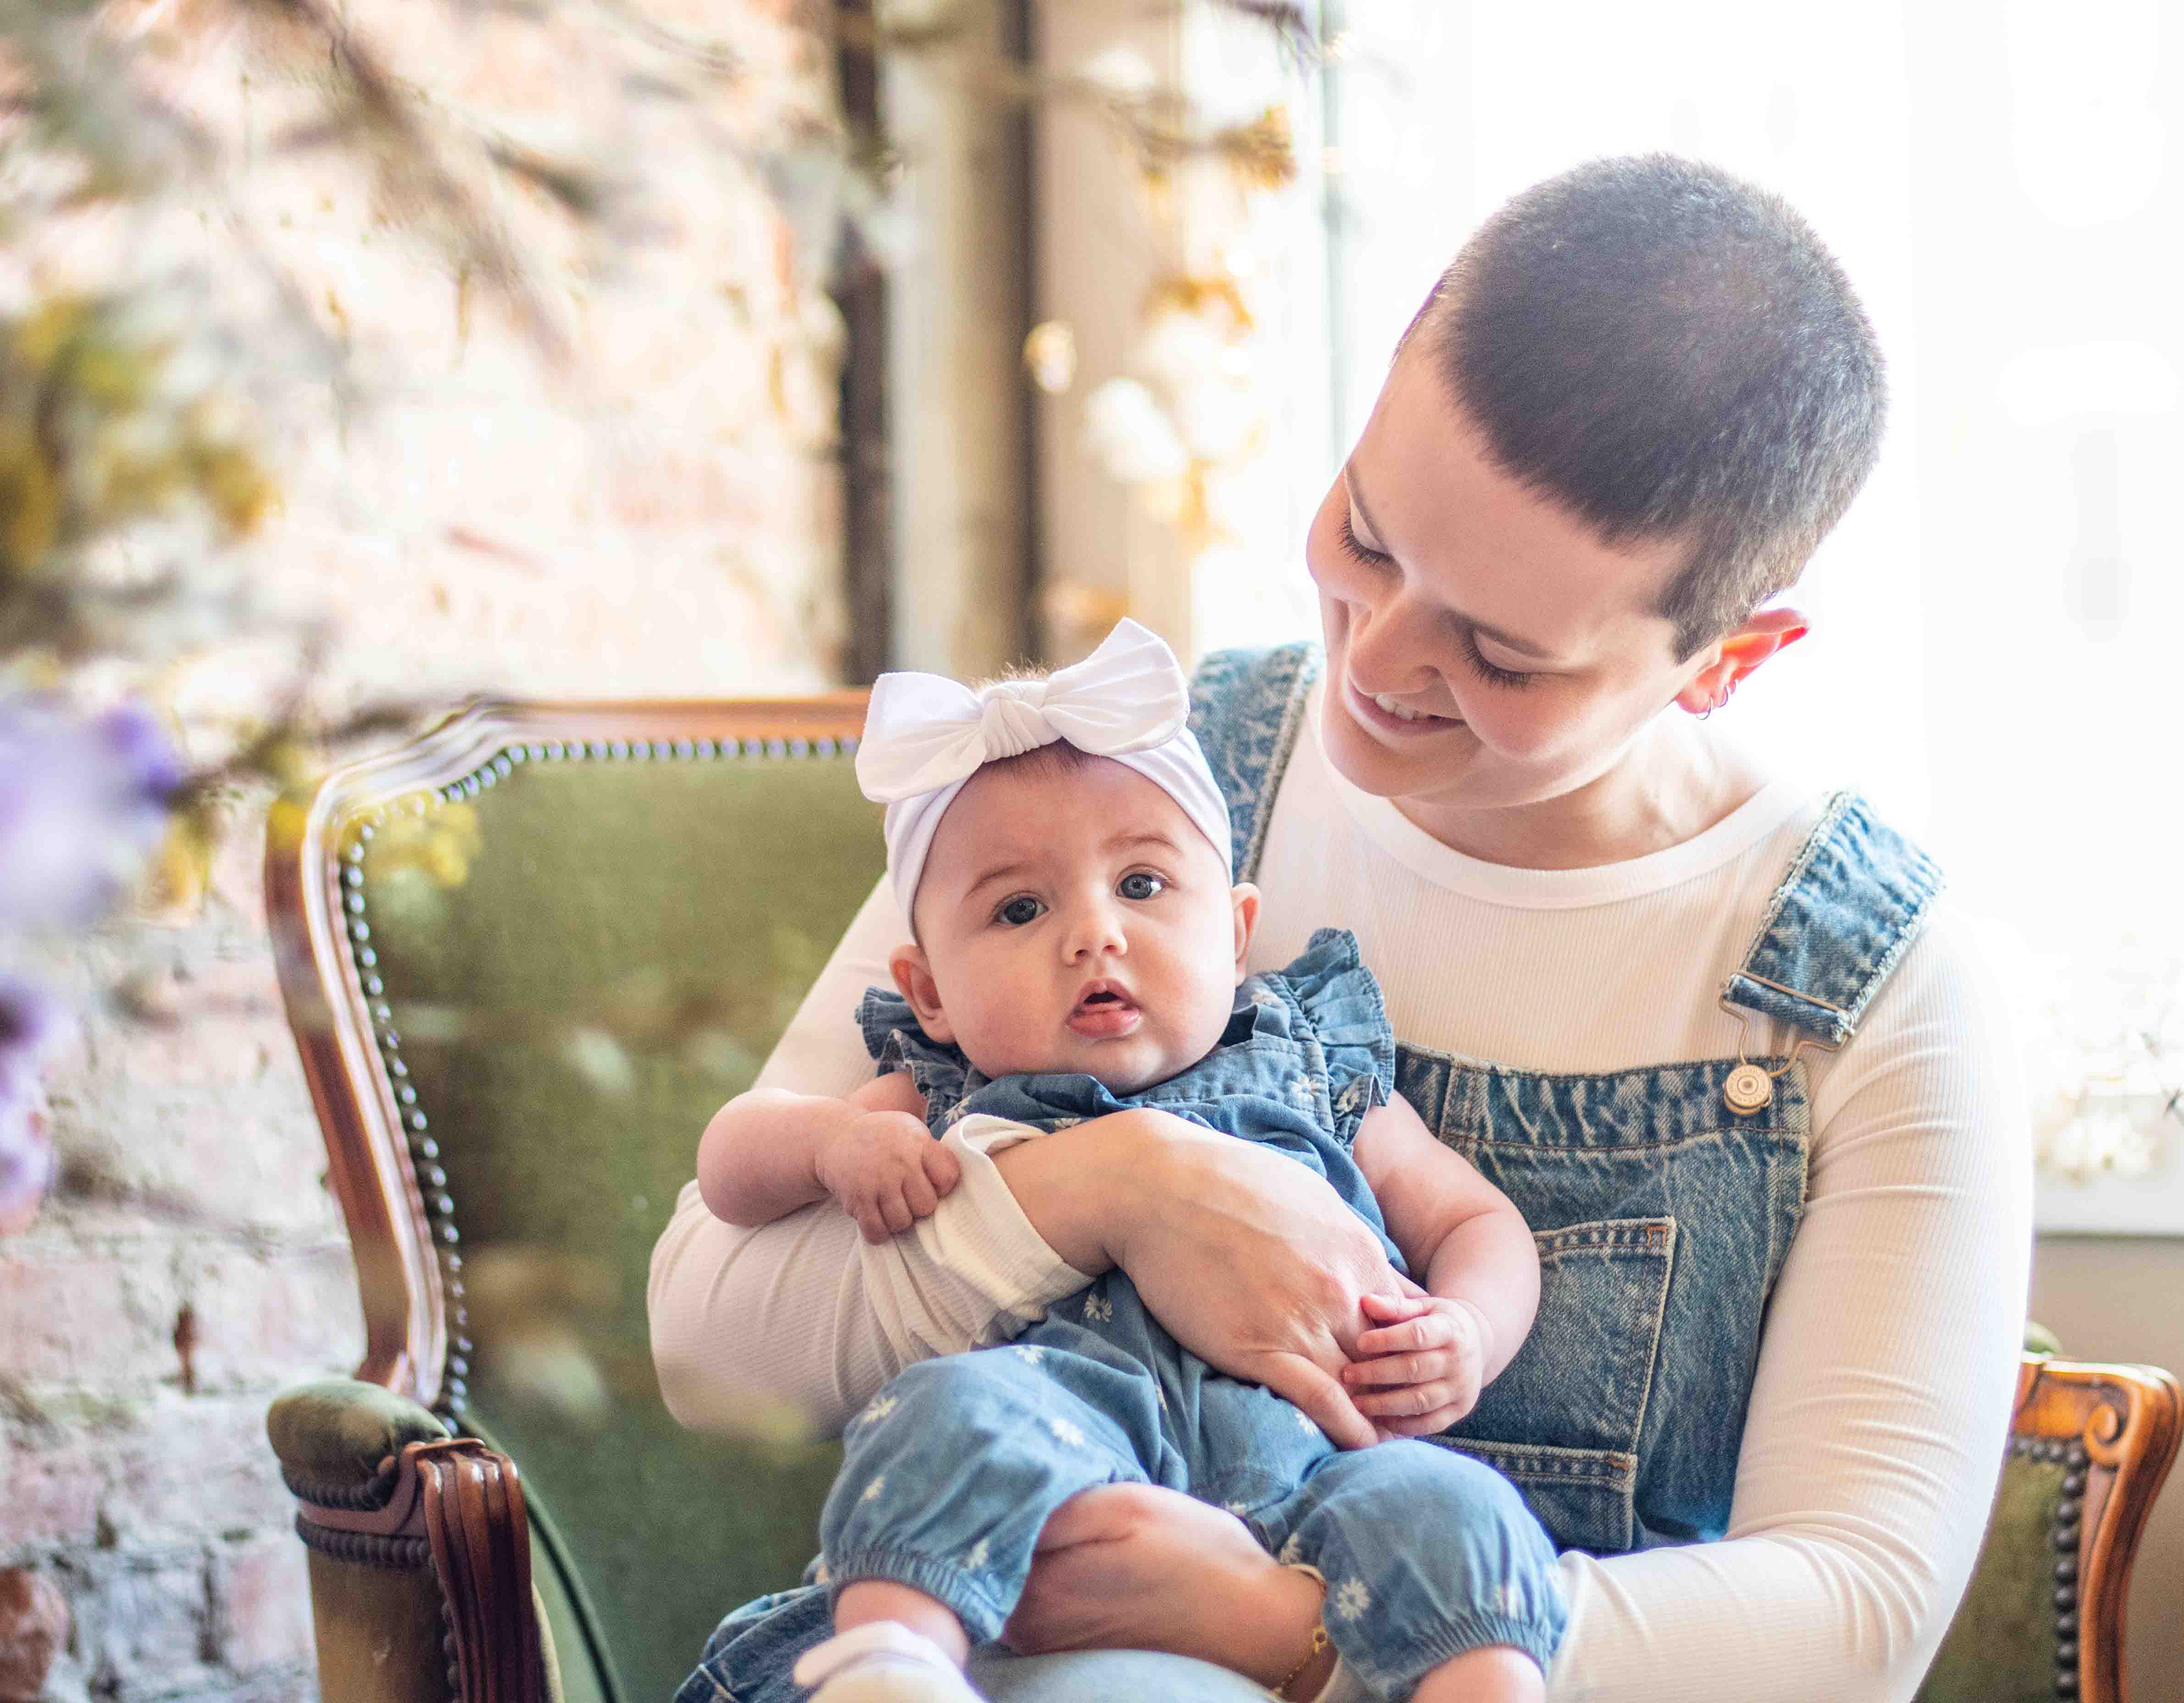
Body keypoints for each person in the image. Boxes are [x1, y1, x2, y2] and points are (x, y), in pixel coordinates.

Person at [649, 154, 2032, 1703]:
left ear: (1728, 656)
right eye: (1368, 536)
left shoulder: (1870, 986)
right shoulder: (1126, 795)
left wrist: (1284, 1622)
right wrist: (1118, 1181)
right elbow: (711, 1334)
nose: (1378, 655)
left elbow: (1853, 1614)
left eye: (1502, 653)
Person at [685, 619, 1563, 1703]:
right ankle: (896, 1662)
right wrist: (830, 1143)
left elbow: (1474, 1224)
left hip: (1324, 1471)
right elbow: (730, 1162)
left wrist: (1468, 1330)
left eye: (1142, 886)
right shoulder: (944, 1086)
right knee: (945, 1417)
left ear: (1237, 935)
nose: (1093, 934)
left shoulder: (1317, 1064)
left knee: (1464, 1514)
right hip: (1056, 1458)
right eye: (1019, 908)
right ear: (931, 996)